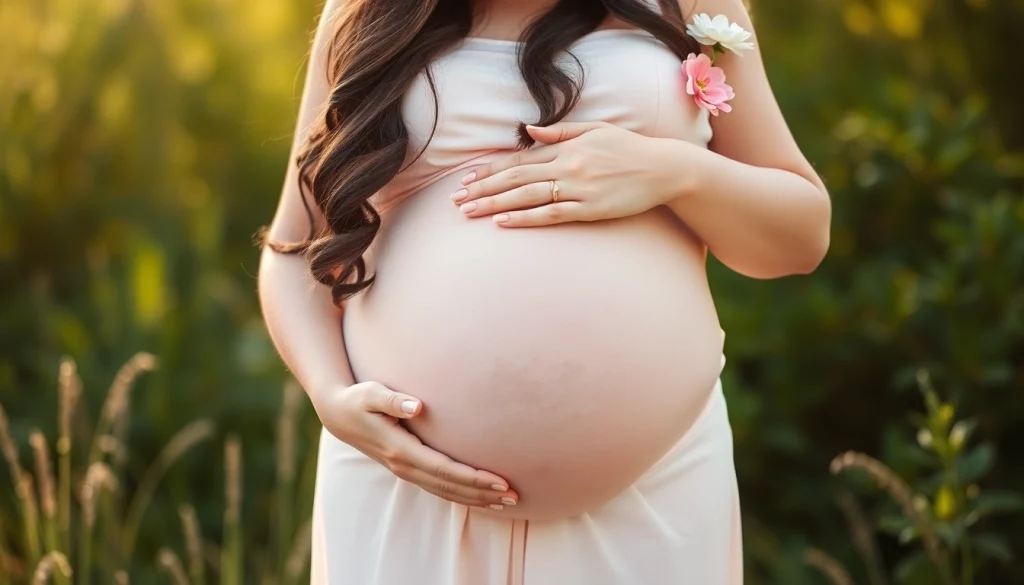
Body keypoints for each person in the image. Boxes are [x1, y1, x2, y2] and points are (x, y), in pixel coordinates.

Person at [258, 0, 831, 582]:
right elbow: (292, 252)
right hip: (402, 482)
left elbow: (802, 235)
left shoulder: (689, 4)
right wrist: (331, 397)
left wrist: (672, 172)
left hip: (651, 490)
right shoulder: (368, 13)